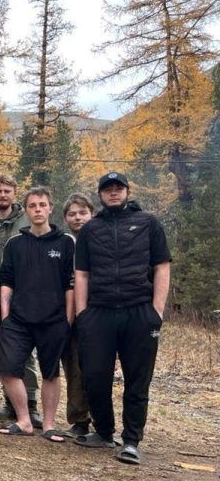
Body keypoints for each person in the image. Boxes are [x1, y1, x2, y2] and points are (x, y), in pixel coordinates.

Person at [73, 172, 171, 465]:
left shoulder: (148, 224)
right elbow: (82, 274)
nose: (113, 193)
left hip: (139, 311)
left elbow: (162, 266)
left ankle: (131, 440)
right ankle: (104, 432)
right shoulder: (91, 229)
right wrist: (82, 314)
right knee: (94, 375)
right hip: (99, 312)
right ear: (100, 194)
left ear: (127, 191)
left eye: (118, 188)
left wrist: (157, 311)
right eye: (108, 189)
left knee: (137, 379)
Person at [0, 188, 74, 442]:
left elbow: (70, 285)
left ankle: (49, 424)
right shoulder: (15, 243)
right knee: (8, 368)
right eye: (32, 205)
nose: (38, 209)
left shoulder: (65, 242)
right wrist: (6, 316)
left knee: (50, 372)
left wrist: (68, 319)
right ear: (26, 210)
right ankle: (24, 420)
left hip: (53, 319)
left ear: (51, 208)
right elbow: (6, 280)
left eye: (42, 205)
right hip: (18, 318)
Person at [0, 173, 39, 423]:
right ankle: (9, 401)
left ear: (15, 192)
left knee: (25, 352)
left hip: (23, 297)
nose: (2, 195)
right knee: (3, 350)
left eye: (7, 190)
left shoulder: (26, 219)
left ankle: (31, 405)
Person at [58, 193, 94, 437]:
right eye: (72, 213)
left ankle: (103, 421)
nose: (77, 217)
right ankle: (79, 419)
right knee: (73, 367)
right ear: (65, 218)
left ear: (91, 213)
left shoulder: (100, 240)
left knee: (96, 368)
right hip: (67, 314)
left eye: (82, 212)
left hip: (98, 312)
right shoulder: (64, 243)